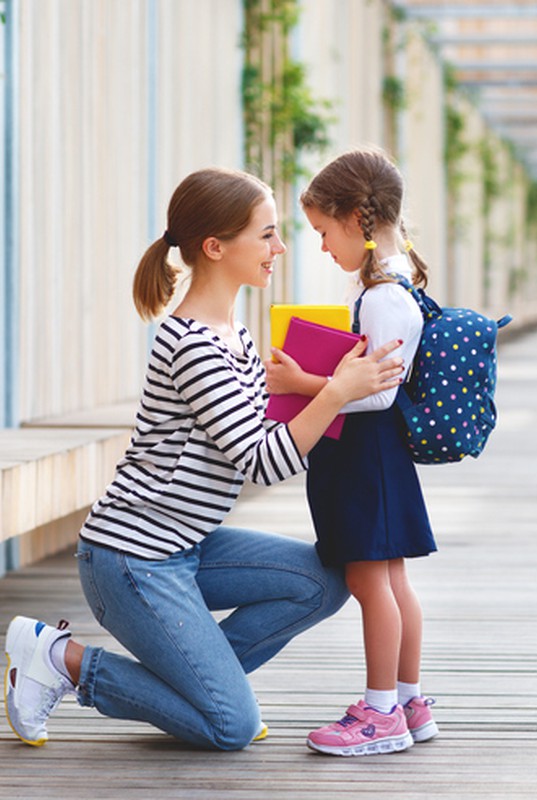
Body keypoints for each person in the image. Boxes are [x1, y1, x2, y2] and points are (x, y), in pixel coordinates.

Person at [3, 167, 405, 751]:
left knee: (324, 581)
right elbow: (262, 461)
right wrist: (337, 391)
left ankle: (200, 690)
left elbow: (261, 430)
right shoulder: (193, 344)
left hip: (187, 545)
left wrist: (318, 383)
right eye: (266, 234)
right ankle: (62, 660)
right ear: (215, 247)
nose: (281, 247)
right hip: (132, 559)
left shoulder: (234, 335)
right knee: (229, 727)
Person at [264, 148, 438, 757]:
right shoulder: (392, 287)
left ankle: (381, 711)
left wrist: (300, 385)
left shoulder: (382, 296)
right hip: (376, 461)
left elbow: (375, 395)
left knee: (372, 585)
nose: (320, 246)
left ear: (357, 218)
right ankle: (408, 700)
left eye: (322, 231)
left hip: (363, 459)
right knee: (391, 582)